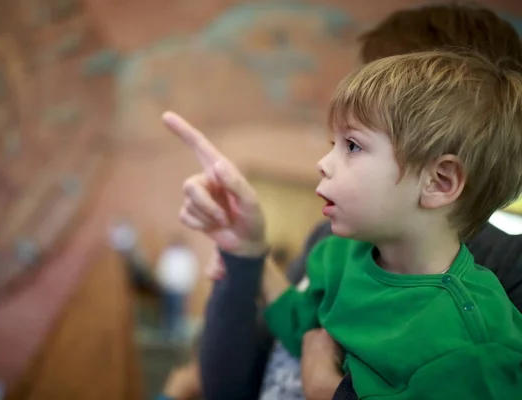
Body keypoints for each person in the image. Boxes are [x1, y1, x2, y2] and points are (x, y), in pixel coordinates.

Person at [180, 4, 522, 400]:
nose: (323, 165)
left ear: (439, 179)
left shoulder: (485, 330)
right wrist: (247, 251)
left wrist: (329, 391)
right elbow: (300, 326)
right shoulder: (341, 252)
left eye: (354, 145)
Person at [156, 236, 199, 340]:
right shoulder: (168, 254)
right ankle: (167, 336)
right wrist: (163, 284)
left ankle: (178, 338)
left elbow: (192, 272)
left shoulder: (187, 256)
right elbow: (161, 270)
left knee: (180, 313)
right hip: (168, 288)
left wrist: (188, 287)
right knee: (168, 313)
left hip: (182, 289)